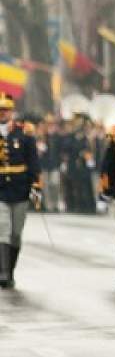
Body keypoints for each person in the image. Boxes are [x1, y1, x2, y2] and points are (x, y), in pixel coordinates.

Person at [0, 92, 42, 289]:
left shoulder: (24, 133)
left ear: (11, 111)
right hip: (0, 189)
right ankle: (4, 272)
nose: (2, 113)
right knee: (3, 230)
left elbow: (33, 162)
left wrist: (35, 186)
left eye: (5, 110)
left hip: (20, 189)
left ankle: (11, 269)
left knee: (16, 233)